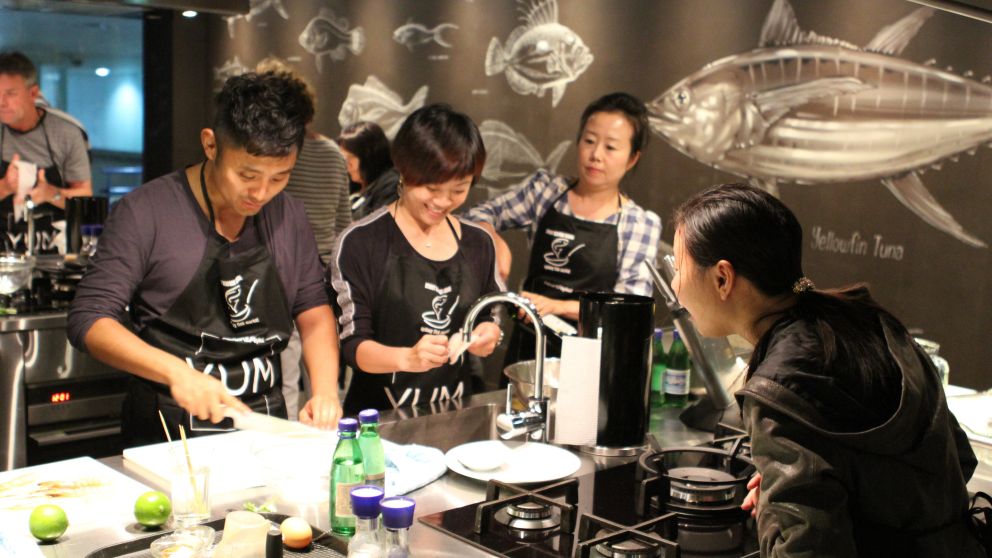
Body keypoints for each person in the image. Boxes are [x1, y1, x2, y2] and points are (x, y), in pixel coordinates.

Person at [669, 182, 984, 557]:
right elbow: (955, 458)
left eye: (679, 268)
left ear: (723, 278)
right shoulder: (868, 322)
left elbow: (807, 550)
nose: (675, 286)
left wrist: (772, 506)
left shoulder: (779, 387)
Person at [67, 72, 342, 446]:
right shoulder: (146, 212)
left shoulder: (288, 216)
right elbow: (90, 320)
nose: (261, 193)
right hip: (167, 438)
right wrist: (177, 373)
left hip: (264, 430)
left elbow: (313, 312)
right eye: (247, 175)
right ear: (211, 145)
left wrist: (325, 391)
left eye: (280, 178)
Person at [329, 104, 504, 414]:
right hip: (378, 419)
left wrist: (489, 333)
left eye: (458, 190)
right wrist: (407, 359)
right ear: (404, 169)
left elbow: (489, 315)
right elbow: (353, 345)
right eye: (431, 188)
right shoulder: (361, 243)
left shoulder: (479, 243)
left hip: (456, 413)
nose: (442, 202)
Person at [465, 92, 661, 365]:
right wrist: (491, 236)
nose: (595, 155)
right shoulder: (545, 191)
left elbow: (628, 308)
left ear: (632, 159)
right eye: (589, 141)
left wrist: (555, 306)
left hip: (593, 359)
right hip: (528, 350)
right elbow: (477, 214)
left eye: (611, 147)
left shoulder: (638, 223)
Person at [255, 57, 350, 420]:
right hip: (326, 275)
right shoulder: (333, 154)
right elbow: (344, 222)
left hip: (278, 272)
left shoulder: (273, 155)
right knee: (327, 386)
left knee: (284, 373)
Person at [0, 51, 91, 253]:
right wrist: (5, 187)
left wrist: (51, 194)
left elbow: (86, 199)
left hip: (55, 253)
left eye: (10, 94)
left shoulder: (66, 133)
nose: (1, 102)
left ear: (34, 93)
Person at [338, 121, 400, 219]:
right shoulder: (351, 182)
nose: (346, 165)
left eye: (350, 158)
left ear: (369, 157)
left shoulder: (390, 185)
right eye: (344, 158)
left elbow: (378, 227)